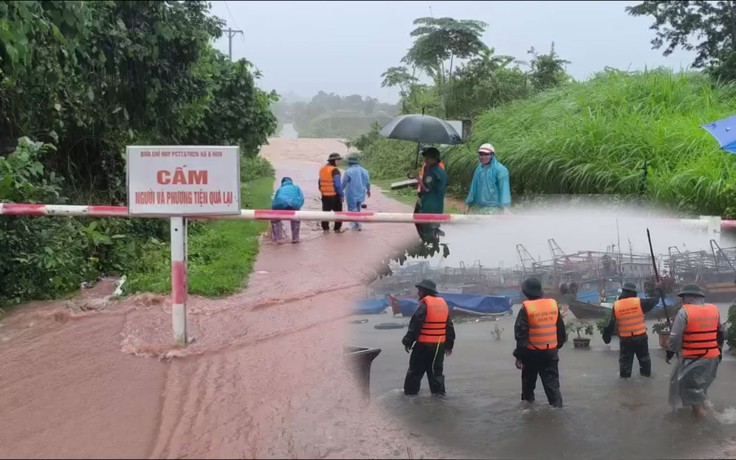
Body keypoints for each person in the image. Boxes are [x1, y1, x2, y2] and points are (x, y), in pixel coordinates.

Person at [666, 284, 724, 418]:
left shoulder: (684, 311)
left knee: (691, 388)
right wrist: (718, 349)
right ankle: (707, 409)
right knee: (701, 385)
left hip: (694, 357)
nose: (683, 301)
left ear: (688, 298)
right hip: (713, 357)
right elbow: (721, 332)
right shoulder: (714, 309)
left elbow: (675, 337)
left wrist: (670, 352)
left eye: (683, 298)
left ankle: (698, 419)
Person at [513, 277, 566, 408]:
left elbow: (521, 335)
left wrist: (519, 356)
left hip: (532, 354)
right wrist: (557, 346)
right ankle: (558, 412)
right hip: (551, 353)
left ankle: (528, 413)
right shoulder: (553, 305)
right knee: (553, 386)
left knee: (528, 387)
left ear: (525, 292)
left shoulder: (526, 308)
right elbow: (560, 329)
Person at [402, 279, 456, 396]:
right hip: (438, 347)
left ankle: (410, 398)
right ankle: (439, 399)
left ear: (424, 291)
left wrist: (407, 342)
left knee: (415, 373)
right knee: (436, 374)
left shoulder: (424, 305)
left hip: (423, 346)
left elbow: (415, 325)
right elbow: (449, 327)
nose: (418, 293)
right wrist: (449, 345)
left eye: (419, 290)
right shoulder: (443, 304)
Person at [601, 282, 661, 378]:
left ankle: (625, 384)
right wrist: (658, 290)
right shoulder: (639, 302)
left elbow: (610, 323)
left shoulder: (617, 305)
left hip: (626, 340)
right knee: (644, 361)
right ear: (634, 293)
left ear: (623, 291)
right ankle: (646, 380)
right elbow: (654, 301)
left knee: (625, 364)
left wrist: (606, 338)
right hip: (641, 338)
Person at [465, 143, 511, 215]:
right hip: (479, 207)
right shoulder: (479, 169)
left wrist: (505, 208)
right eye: (481, 154)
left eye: (486, 154)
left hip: (495, 209)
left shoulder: (501, 170)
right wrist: (468, 204)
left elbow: (504, 189)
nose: (483, 157)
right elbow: (474, 187)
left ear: (492, 155)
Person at [414, 146, 448, 243]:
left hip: (429, 206)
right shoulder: (441, 171)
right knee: (430, 228)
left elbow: (426, 188)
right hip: (437, 206)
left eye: (428, 158)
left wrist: (417, 178)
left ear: (435, 158)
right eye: (425, 157)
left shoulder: (432, 172)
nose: (426, 160)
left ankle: (430, 248)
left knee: (426, 230)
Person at [270, 177, 305, 244]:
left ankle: (278, 239)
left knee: (275, 220)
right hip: (294, 205)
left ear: (282, 183)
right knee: (296, 218)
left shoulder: (280, 189)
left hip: (281, 204)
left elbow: (275, 200)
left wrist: (273, 211)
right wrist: (298, 206)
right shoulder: (296, 187)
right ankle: (295, 238)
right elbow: (301, 198)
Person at [341, 155, 371, 231]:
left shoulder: (348, 171)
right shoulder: (365, 171)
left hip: (351, 193)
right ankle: (356, 224)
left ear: (349, 163)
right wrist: (368, 190)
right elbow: (368, 182)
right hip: (361, 192)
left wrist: (340, 192)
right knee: (358, 208)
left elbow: (344, 183)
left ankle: (357, 224)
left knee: (352, 209)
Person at [318, 152, 345, 233]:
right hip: (334, 195)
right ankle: (337, 229)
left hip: (325, 195)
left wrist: (323, 191)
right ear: (333, 161)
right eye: (338, 160)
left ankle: (325, 229)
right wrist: (342, 194)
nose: (339, 162)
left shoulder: (322, 169)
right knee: (338, 213)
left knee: (325, 212)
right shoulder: (335, 170)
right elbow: (338, 185)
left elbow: (319, 182)